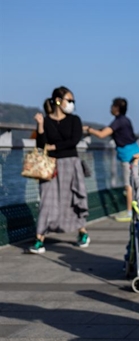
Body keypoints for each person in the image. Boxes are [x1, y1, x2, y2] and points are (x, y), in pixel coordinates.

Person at [30, 86, 89, 254]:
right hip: (50, 165)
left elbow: (74, 140)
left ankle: (82, 232)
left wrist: (54, 146)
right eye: (68, 100)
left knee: (73, 198)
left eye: (72, 101)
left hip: (70, 163)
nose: (71, 103)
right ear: (58, 100)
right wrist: (40, 125)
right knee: (47, 200)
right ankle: (39, 238)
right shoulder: (47, 121)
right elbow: (41, 144)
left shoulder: (74, 120)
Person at [84, 97, 139, 222]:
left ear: (116, 108)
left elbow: (102, 134)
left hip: (128, 156)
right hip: (135, 153)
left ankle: (130, 212)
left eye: (112, 106)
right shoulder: (125, 120)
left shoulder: (119, 121)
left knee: (129, 185)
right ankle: (138, 209)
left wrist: (88, 129)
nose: (110, 108)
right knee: (135, 183)